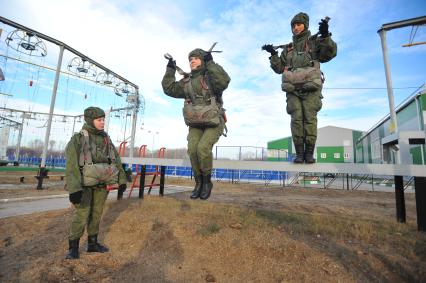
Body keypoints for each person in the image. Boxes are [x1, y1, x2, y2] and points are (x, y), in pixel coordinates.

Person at [263, 12, 337, 163]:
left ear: (306, 25)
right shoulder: (288, 49)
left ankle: (309, 154)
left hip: (312, 88)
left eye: (298, 24)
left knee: (310, 119)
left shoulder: (314, 42)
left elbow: (328, 55)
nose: (295, 28)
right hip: (293, 90)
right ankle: (300, 154)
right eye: (293, 25)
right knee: (296, 119)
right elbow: (279, 69)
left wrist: (325, 37)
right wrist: (273, 55)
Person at [162, 48, 230, 200]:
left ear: (203, 60)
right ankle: (198, 183)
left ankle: (207, 182)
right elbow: (169, 89)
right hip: (196, 122)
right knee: (193, 149)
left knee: (203, 148)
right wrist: (170, 70)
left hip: (214, 121)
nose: (192, 61)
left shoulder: (211, 77)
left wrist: (211, 63)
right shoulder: (187, 81)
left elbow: (224, 81)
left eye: (196, 58)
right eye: (190, 59)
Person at [65, 106, 127, 259]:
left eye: (103, 120)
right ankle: (73, 248)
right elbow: (72, 166)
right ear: (90, 120)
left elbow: (115, 159)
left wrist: (122, 179)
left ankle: (92, 244)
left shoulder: (106, 138)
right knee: (82, 214)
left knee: (97, 213)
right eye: (99, 120)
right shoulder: (78, 139)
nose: (102, 122)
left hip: (101, 184)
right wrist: (74, 190)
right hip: (83, 185)